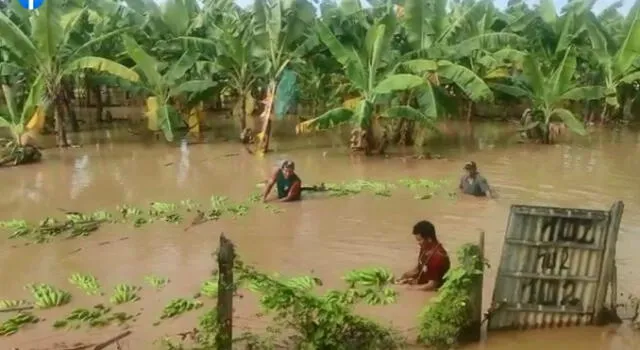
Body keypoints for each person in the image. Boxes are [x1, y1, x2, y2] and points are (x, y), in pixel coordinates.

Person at [396, 220, 450, 291]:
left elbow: (432, 285)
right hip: (421, 283)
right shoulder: (425, 247)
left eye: (419, 240)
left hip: (433, 290)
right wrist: (403, 277)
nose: (418, 243)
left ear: (429, 239)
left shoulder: (437, 258)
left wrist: (409, 288)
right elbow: (418, 269)